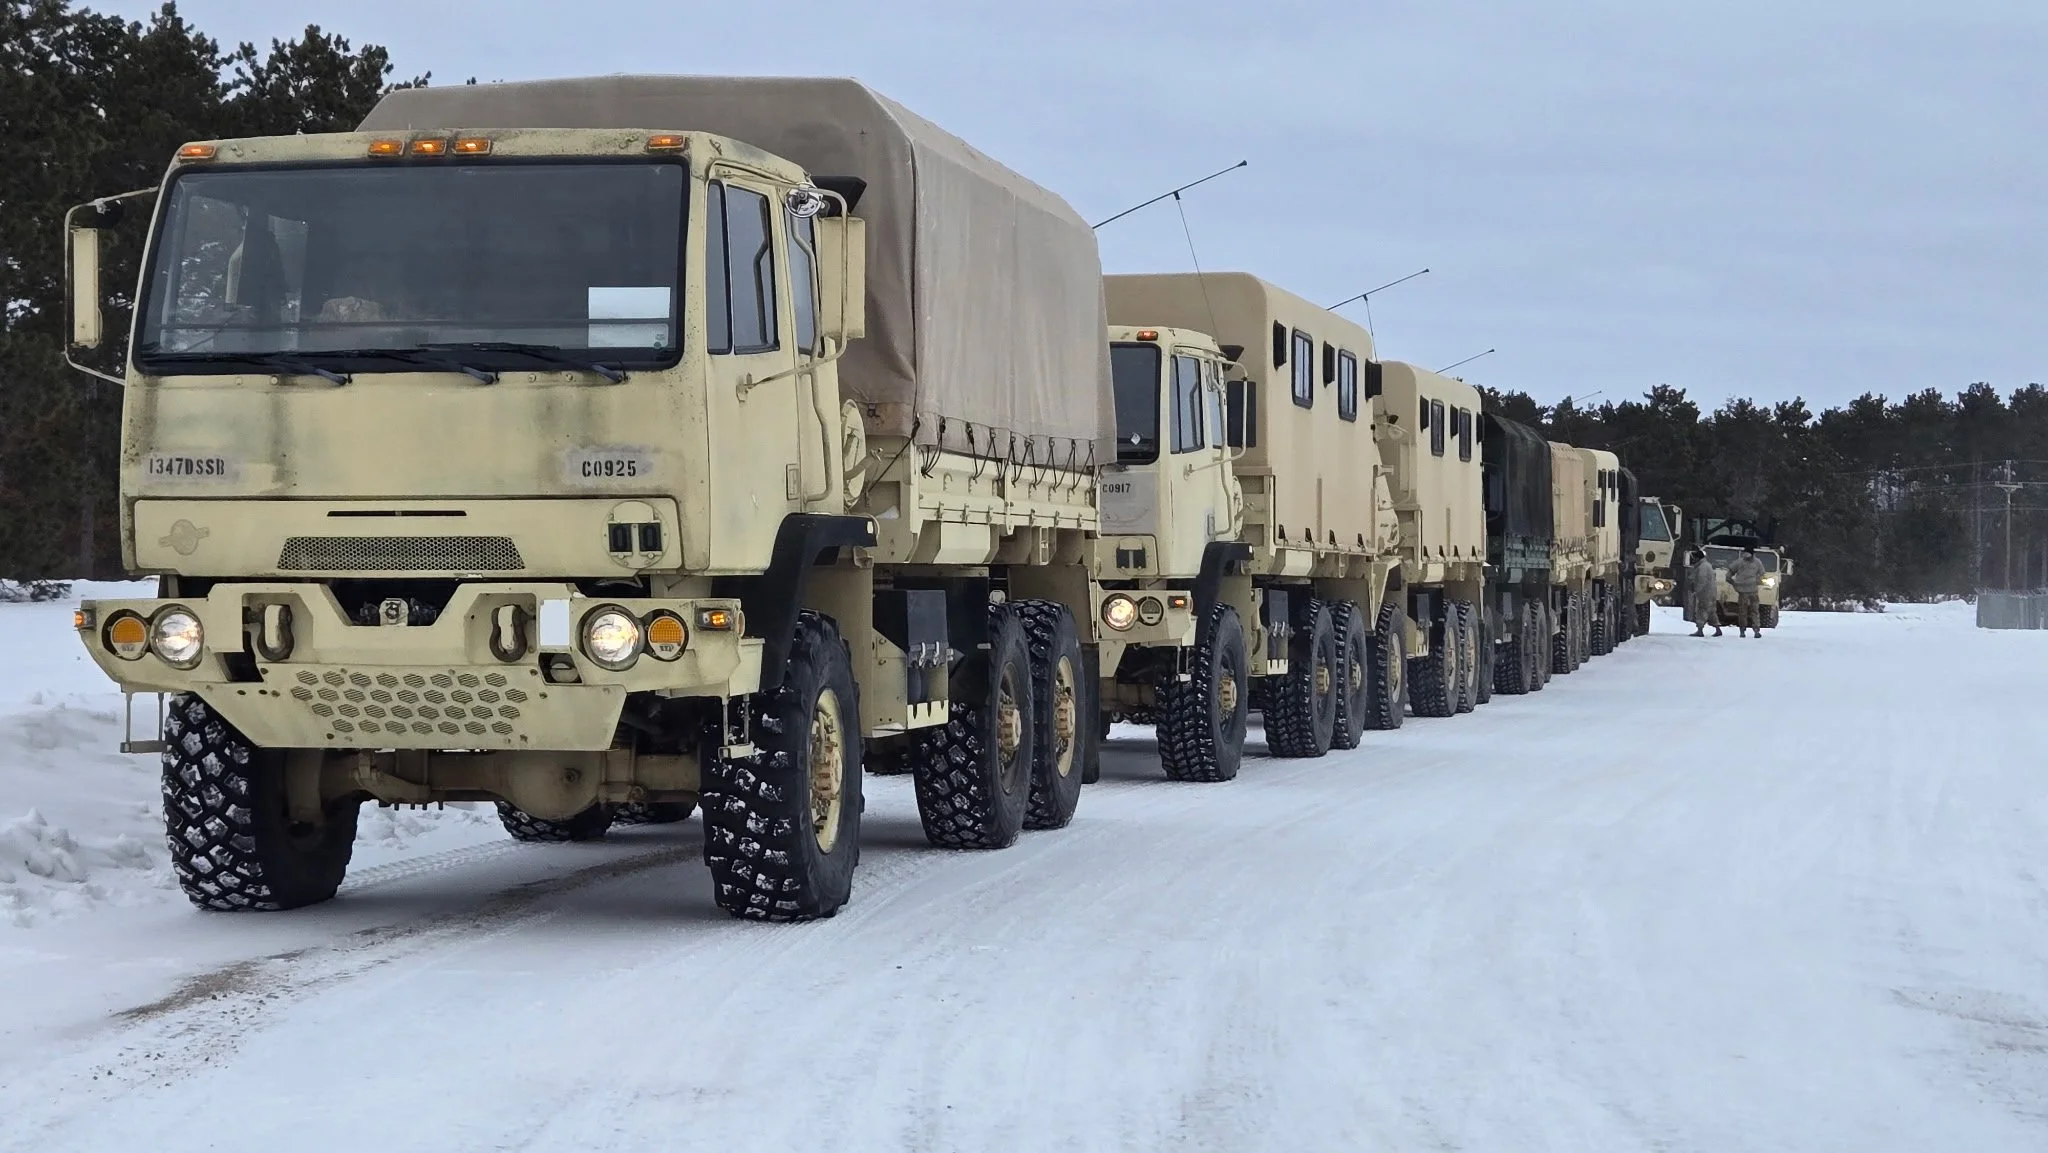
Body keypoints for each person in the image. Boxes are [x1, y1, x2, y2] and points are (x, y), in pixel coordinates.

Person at [1725, 546, 1768, 638]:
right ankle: (1750, 630)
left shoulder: (1744, 562)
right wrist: (1757, 581)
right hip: (1748, 591)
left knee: (1746, 611)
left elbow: (1728, 575)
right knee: (1750, 611)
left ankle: (1747, 631)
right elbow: (1762, 574)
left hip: (1747, 591)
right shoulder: (1753, 562)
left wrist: (1733, 583)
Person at [1685, 550, 1722, 637]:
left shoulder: (1702, 567)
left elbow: (1701, 580)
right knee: (1712, 611)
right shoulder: (1707, 565)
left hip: (1704, 593)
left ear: (1698, 558)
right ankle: (1717, 629)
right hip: (1711, 592)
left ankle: (1700, 630)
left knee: (1701, 610)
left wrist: (1696, 591)